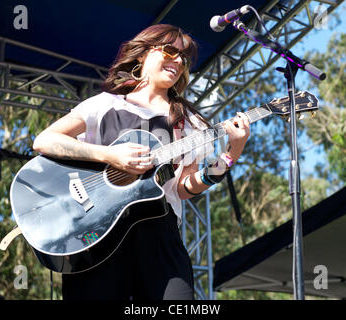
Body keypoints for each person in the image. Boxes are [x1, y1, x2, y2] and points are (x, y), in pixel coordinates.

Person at [32, 24, 250, 300]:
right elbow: (45, 141)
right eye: (170, 51)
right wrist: (109, 156)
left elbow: (183, 188)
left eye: (183, 58)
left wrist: (231, 154)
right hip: (98, 230)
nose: (178, 61)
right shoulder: (103, 105)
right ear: (142, 54)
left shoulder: (190, 122)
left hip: (159, 233)